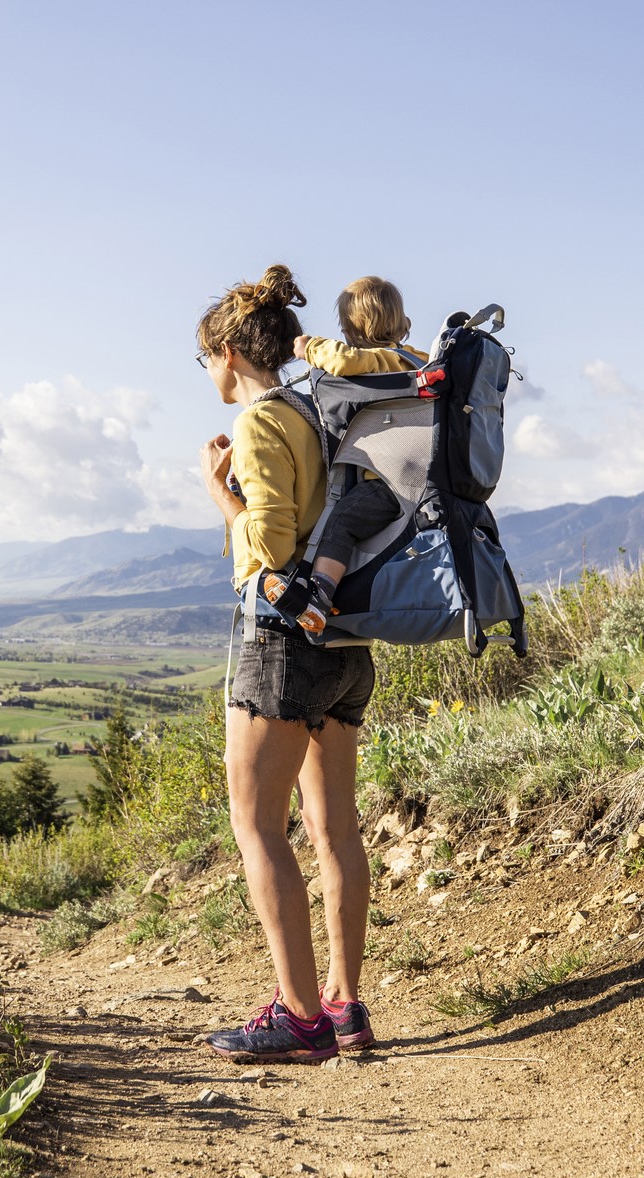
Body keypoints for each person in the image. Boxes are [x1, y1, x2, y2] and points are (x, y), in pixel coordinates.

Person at [196, 264, 375, 1063]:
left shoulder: (266, 421)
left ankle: (299, 1018)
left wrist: (222, 499)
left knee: (257, 827)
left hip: (280, 645)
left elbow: (268, 544)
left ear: (230, 352)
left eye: (205, 359)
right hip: (343, 645)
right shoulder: (316, 408)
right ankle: (343, 1004)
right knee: (334, 828)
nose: (207, 373)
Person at [257, 275, 428, 639]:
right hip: (424, 481)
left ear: (353, 329)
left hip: (388, 485)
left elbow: (342, 361)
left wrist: (307, 346)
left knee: (342, 521)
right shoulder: (421, 362)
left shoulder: (379, 360)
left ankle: (318, 596)